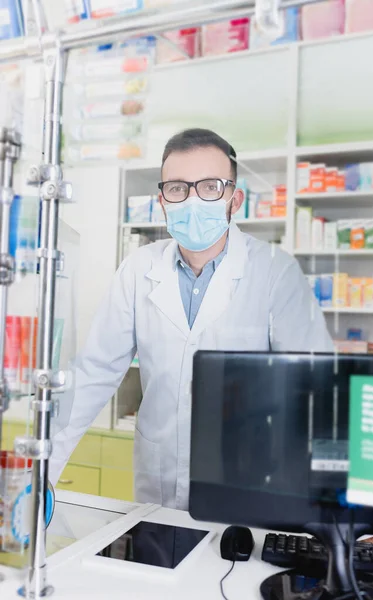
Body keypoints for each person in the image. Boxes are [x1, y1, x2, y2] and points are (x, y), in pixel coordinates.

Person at [49, 128, 333, 510]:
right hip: (157, 484)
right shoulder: (138, 269)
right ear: (163, 201)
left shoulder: (274, 272)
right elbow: (93, 373)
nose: (193, 200)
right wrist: (42, 469)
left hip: (244, 489)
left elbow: (318, 389)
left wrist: (340, 505)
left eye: (211, 186)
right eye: (179, 188)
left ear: (235, 199)